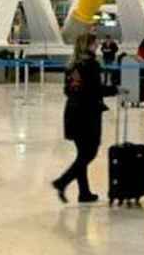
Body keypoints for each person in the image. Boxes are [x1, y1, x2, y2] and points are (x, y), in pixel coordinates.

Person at [52, 33, 118, 204]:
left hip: (73, 112)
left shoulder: (72, 65)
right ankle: (62, 182)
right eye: (95, 42)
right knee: (90, 152)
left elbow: (68, 90)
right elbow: (96, 90)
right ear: (88, 45)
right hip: (88, 114)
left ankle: (84, 193)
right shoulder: (91, 64)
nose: (97, 45)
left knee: (82, 153)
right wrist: (116, 89)